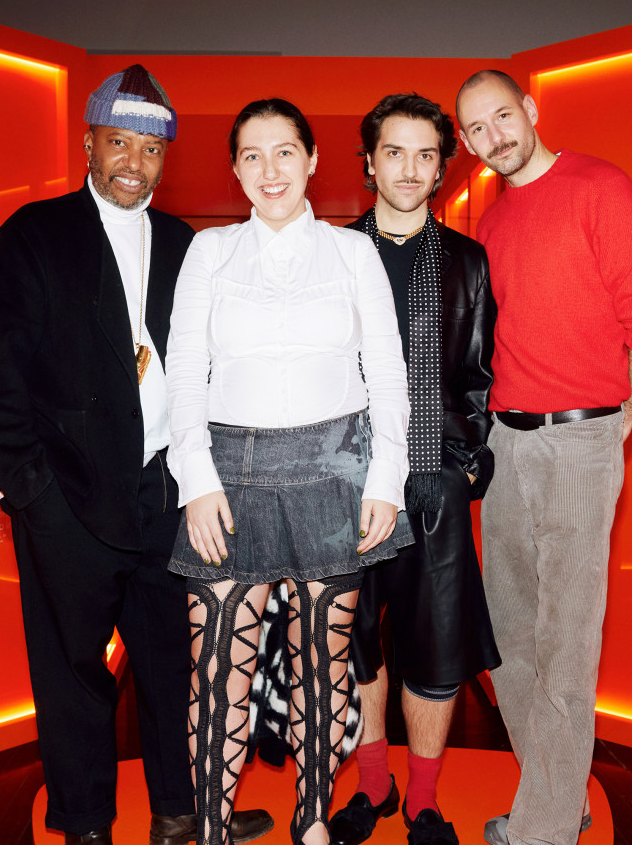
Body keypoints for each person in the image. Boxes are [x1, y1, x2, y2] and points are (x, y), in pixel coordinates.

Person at [0, 66, 272, 845]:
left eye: (150, 149)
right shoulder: (34, 234)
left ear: (167, 157)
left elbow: (213, 361)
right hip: (65, 499)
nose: (133, 162)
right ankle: (86, 825)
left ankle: (179, 815)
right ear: (90, 143)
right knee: (72, 673)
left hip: (164, 494)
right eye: (118, 143)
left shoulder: (183, 243)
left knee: (174, 667)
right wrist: (31, 490)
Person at [164, 97, 413, 845]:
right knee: (218, 671)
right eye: (251, 155)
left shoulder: (351, 253)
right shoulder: (209, 253)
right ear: (235, 168)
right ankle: (211, 828)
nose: (268, 171)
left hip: (334, 470)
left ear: (309, 159)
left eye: (283, 153)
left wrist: (385, 481)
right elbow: (184, 371)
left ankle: (311, 821)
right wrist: (195, 478)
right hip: (226, 475)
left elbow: (388, 374)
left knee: (322, 663)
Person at [455, 70, 632, 845]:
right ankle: (558, 794)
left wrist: (620, 415)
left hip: (577, 442)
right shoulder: (489, 223)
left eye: (501, 116)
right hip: (504, 447)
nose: (493, 136)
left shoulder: (598, 186)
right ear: (466, 142)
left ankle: (546, 828)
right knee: (509, 639)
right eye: (476, 129)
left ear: (528, 110)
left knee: (564, 643)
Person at [330, 93, 501, 845]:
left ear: (441, 167)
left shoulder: (468, 261)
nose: (409, 168)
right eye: (393, 152)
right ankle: (373, 787)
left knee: (433, 650)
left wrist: (461, 470)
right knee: (354, 644)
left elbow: (480, 376)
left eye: (425, 154)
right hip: (342, 485)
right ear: (368, 163)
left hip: (434, 486)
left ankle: (425, 801)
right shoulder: (328, 255)